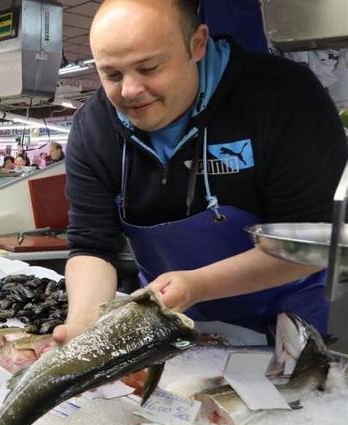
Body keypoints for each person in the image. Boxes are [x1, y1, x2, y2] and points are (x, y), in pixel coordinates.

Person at [56, 0, 348, 344]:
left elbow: (316, 241)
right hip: (171, 318)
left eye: (148, 68)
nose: (130, 91)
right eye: (112, 75)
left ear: (196, 44)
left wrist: (199, 285)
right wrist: (83, 324)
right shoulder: (94, 128)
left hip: (284, 318)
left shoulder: (283, 96)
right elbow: (92, 245)